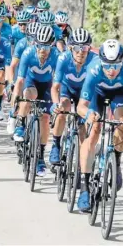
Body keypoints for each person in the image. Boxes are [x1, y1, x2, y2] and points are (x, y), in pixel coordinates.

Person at [76, 39, 123, 212]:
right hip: (97, 95)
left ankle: (116, 159)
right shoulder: (93, 69)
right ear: (101, 62)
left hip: (120, 95)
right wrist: (88, 114)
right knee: (93, 132)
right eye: (107, 66)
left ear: (122, 62)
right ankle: (84, 188)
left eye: (115, 65)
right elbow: (80, 106)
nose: (111, 70)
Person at [12, 26, 59, 177]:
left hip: (47, 86)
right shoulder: (28, 53)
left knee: (45, 118)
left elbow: (59, 84)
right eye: (39, 45)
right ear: (34, 44)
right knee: (27, 96)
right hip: (30, 83)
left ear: (52, 45)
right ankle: (21, 123)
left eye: (46, 46)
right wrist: (15, 103)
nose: (42, 50)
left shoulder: (57, 56)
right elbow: (19, 81)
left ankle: (40, 156)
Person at [49, 28, 96, 165]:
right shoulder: (63, 58)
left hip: (84, 93)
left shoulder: (94, 60)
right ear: (70, 48)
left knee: (83, 129)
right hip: (66, 89)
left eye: (85, 47)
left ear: (89, 48)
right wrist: (55, 104)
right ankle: (56, 146)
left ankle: (83, 163)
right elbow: (55, 87)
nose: (81, 51)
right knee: (63, 109)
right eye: (76, 48)